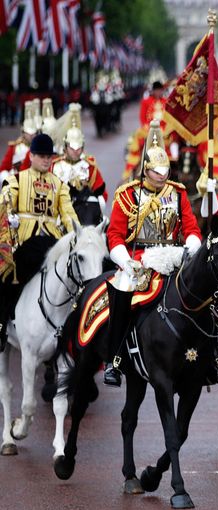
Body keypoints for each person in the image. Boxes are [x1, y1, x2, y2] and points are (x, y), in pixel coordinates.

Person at [103, 121, 205, 386]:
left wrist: (189, 248)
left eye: (165, 171)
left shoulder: (178, 193)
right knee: (122, 290)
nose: (162, 176)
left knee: (201, 288)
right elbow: (114, 235)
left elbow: (192, 228)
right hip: (139, 261)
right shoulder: (127, 195)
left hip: (173, 256)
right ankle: (113, 359)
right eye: (157, 171)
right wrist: (125, 262)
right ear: (145, 170)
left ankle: (214, 357)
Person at [0, 133, 78, 350]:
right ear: (31, 156)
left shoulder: (59, 185)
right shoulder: (17, 179)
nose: (46, 160)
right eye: (42, 156)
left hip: (51, 241)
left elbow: (68, 214)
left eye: (49, 156)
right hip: (24, 239)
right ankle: (1, 323)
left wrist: (76, 237)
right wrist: (8, 210)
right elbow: (5, 200)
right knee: (6, 275)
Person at [52, 104, 108, 225]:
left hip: (84, 210)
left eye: (79, 147)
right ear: (65, 147)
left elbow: (102, 192)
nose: (76, 151)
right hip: (58, 210)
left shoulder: (89, 165)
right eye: (72, 148)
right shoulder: (55, 165)